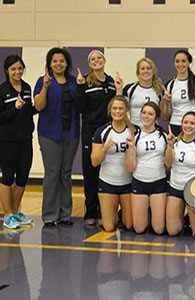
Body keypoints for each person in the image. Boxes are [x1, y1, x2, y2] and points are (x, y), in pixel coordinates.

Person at [34, 47, 80, 226]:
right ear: (50, 64)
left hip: (71, 133)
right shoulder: (43, 81)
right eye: (55, 61)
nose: (58, 64)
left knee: (66, 173)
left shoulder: (73, 81)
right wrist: (45, 88)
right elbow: (38, 106)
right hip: (49, 134)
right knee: (52, 173)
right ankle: (50, 215)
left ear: (66, 63)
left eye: (61, 61)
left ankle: (65, 214)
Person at [75, 50, 117, 226]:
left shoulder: (111, 82)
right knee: (91, 173)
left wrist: (120, 90)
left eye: (99, 57)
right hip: (91, 132)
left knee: (106, 172)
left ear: (104, 60)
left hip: (108, 131)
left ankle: (104, 212)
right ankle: (90, 211)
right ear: (89, 63)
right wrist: (79, 86)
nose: (96, 60)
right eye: (92, 59)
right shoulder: (84, 81)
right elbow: (78, 107)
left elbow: (116, 107)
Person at [0, 55, 36, 229]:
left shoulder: (27, 88)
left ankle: (15, 212)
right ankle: (7, 215)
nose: (17, 71)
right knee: (7, 177)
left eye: (20, 68)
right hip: (7, 140)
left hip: (25, 139)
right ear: (7, 70)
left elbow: (29, 111)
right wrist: (14, 109)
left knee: (22, 177)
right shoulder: (2, 90)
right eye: (13, 69)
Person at [91, 95, 135, 232]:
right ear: (110, 110)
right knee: (109, 227)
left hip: (128, 183)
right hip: (108, 182)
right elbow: (94, 161)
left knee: (130, 225)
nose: (117, 111)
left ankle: (122, 214)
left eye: (121, 108)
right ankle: (112, 214)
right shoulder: (102, 132)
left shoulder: (133, 131)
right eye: (114, 108)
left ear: (126, 110)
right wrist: (105, 148)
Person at [164, 112, 195, 237]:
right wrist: (169, 146)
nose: (188, 126)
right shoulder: (175, 142)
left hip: (192, 192)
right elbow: (168, 163)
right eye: (186, 122)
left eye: (192, 123)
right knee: (172, 231)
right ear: (181, 124)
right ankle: (183, 220)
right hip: (175, 188)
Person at [126, 102, 167, 234]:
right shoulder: (135, 136)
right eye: (144, 113)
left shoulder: (164, 136)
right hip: (140, 182)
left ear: (156, 117)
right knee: (139, 229)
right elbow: (130, 167)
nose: (146, 116)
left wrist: (171, 147)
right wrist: (131, 148)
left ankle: (154, 213)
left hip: (158, 183)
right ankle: (146, 212)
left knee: (159, 229)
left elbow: (169, 163)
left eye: (150, 114)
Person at [161, 50, 195, 136]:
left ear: (189, 62)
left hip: (192, 126)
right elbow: (165, 116)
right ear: (174, 63)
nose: (180, 64)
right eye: (177, 61)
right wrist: (166, 103)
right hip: (175, 125)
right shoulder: (170, 85)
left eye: (183, 61)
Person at [123, 57, 163, 127]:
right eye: (142, 69)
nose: (145, 71)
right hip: (134, 129)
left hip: (152, 130)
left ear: (153, 71)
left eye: (148, 68)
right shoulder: (129, 89)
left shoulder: (159, 90)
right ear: (138, 72)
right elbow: (121, 109)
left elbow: (163, 115)